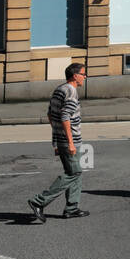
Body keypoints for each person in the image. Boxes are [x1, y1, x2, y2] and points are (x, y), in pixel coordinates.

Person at [27, 62, 88, 222]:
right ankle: (38, 202)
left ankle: (72, 208)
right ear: (75, 76)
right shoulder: (71, 92)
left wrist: (56, 141)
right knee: (73, 173)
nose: (85, 77)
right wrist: (70, 142)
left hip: (61, 140)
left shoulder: (59, 89)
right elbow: (65, 117)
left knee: (76, 173)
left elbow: (50, 114)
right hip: (70, 140)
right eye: (83, 74)